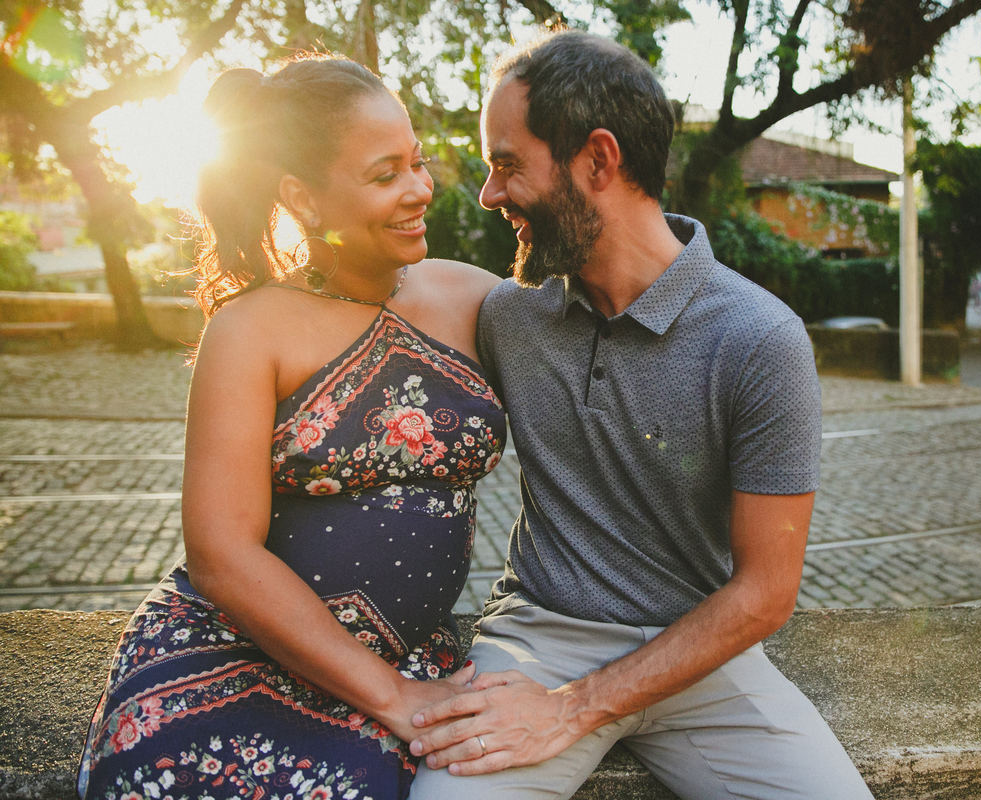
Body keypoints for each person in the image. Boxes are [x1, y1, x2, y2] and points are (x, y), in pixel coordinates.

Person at [405, 31, 876, 799]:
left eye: (507, 163)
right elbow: (363, 283)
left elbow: (764, 593)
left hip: (701, 657)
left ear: (598, 159)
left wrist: (576, 710)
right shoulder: (510, 314)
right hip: (537, 640)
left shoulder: (760, 340)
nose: (489, 195)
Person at [76, 54, 505, 800]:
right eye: (384, 175)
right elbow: (221, 554)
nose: (419, 190)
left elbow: (598, 373)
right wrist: (392, 697)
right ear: (302, 198)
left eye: (418, 162)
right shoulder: (249, 328)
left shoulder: (472, 297)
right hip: (235, 655)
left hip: (412, 659)